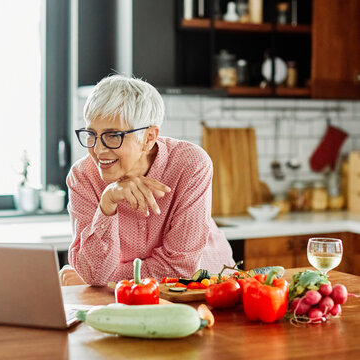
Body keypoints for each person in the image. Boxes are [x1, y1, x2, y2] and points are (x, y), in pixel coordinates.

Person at [59, 75, 235, 286]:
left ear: (149, 138)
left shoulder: (190, 164)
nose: (97, 149)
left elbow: (179, 269)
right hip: (123, 299)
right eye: (91, 133)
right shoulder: (82, 177)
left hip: (207, 291)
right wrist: (107, 203)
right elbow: (94, 274)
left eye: (113, 135)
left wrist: (103, 278)